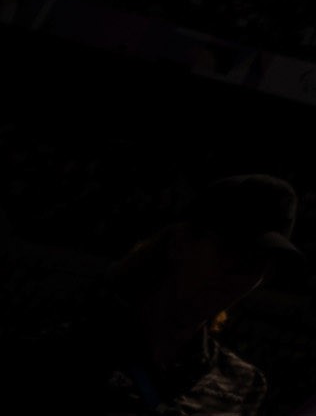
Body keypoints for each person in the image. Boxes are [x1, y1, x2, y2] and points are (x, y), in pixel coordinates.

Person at [54, 173, 298, 414]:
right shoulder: (70, 346)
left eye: (258, 264)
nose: (240, 274)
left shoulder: (243, 384)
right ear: (179, 243)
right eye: (232, 252)